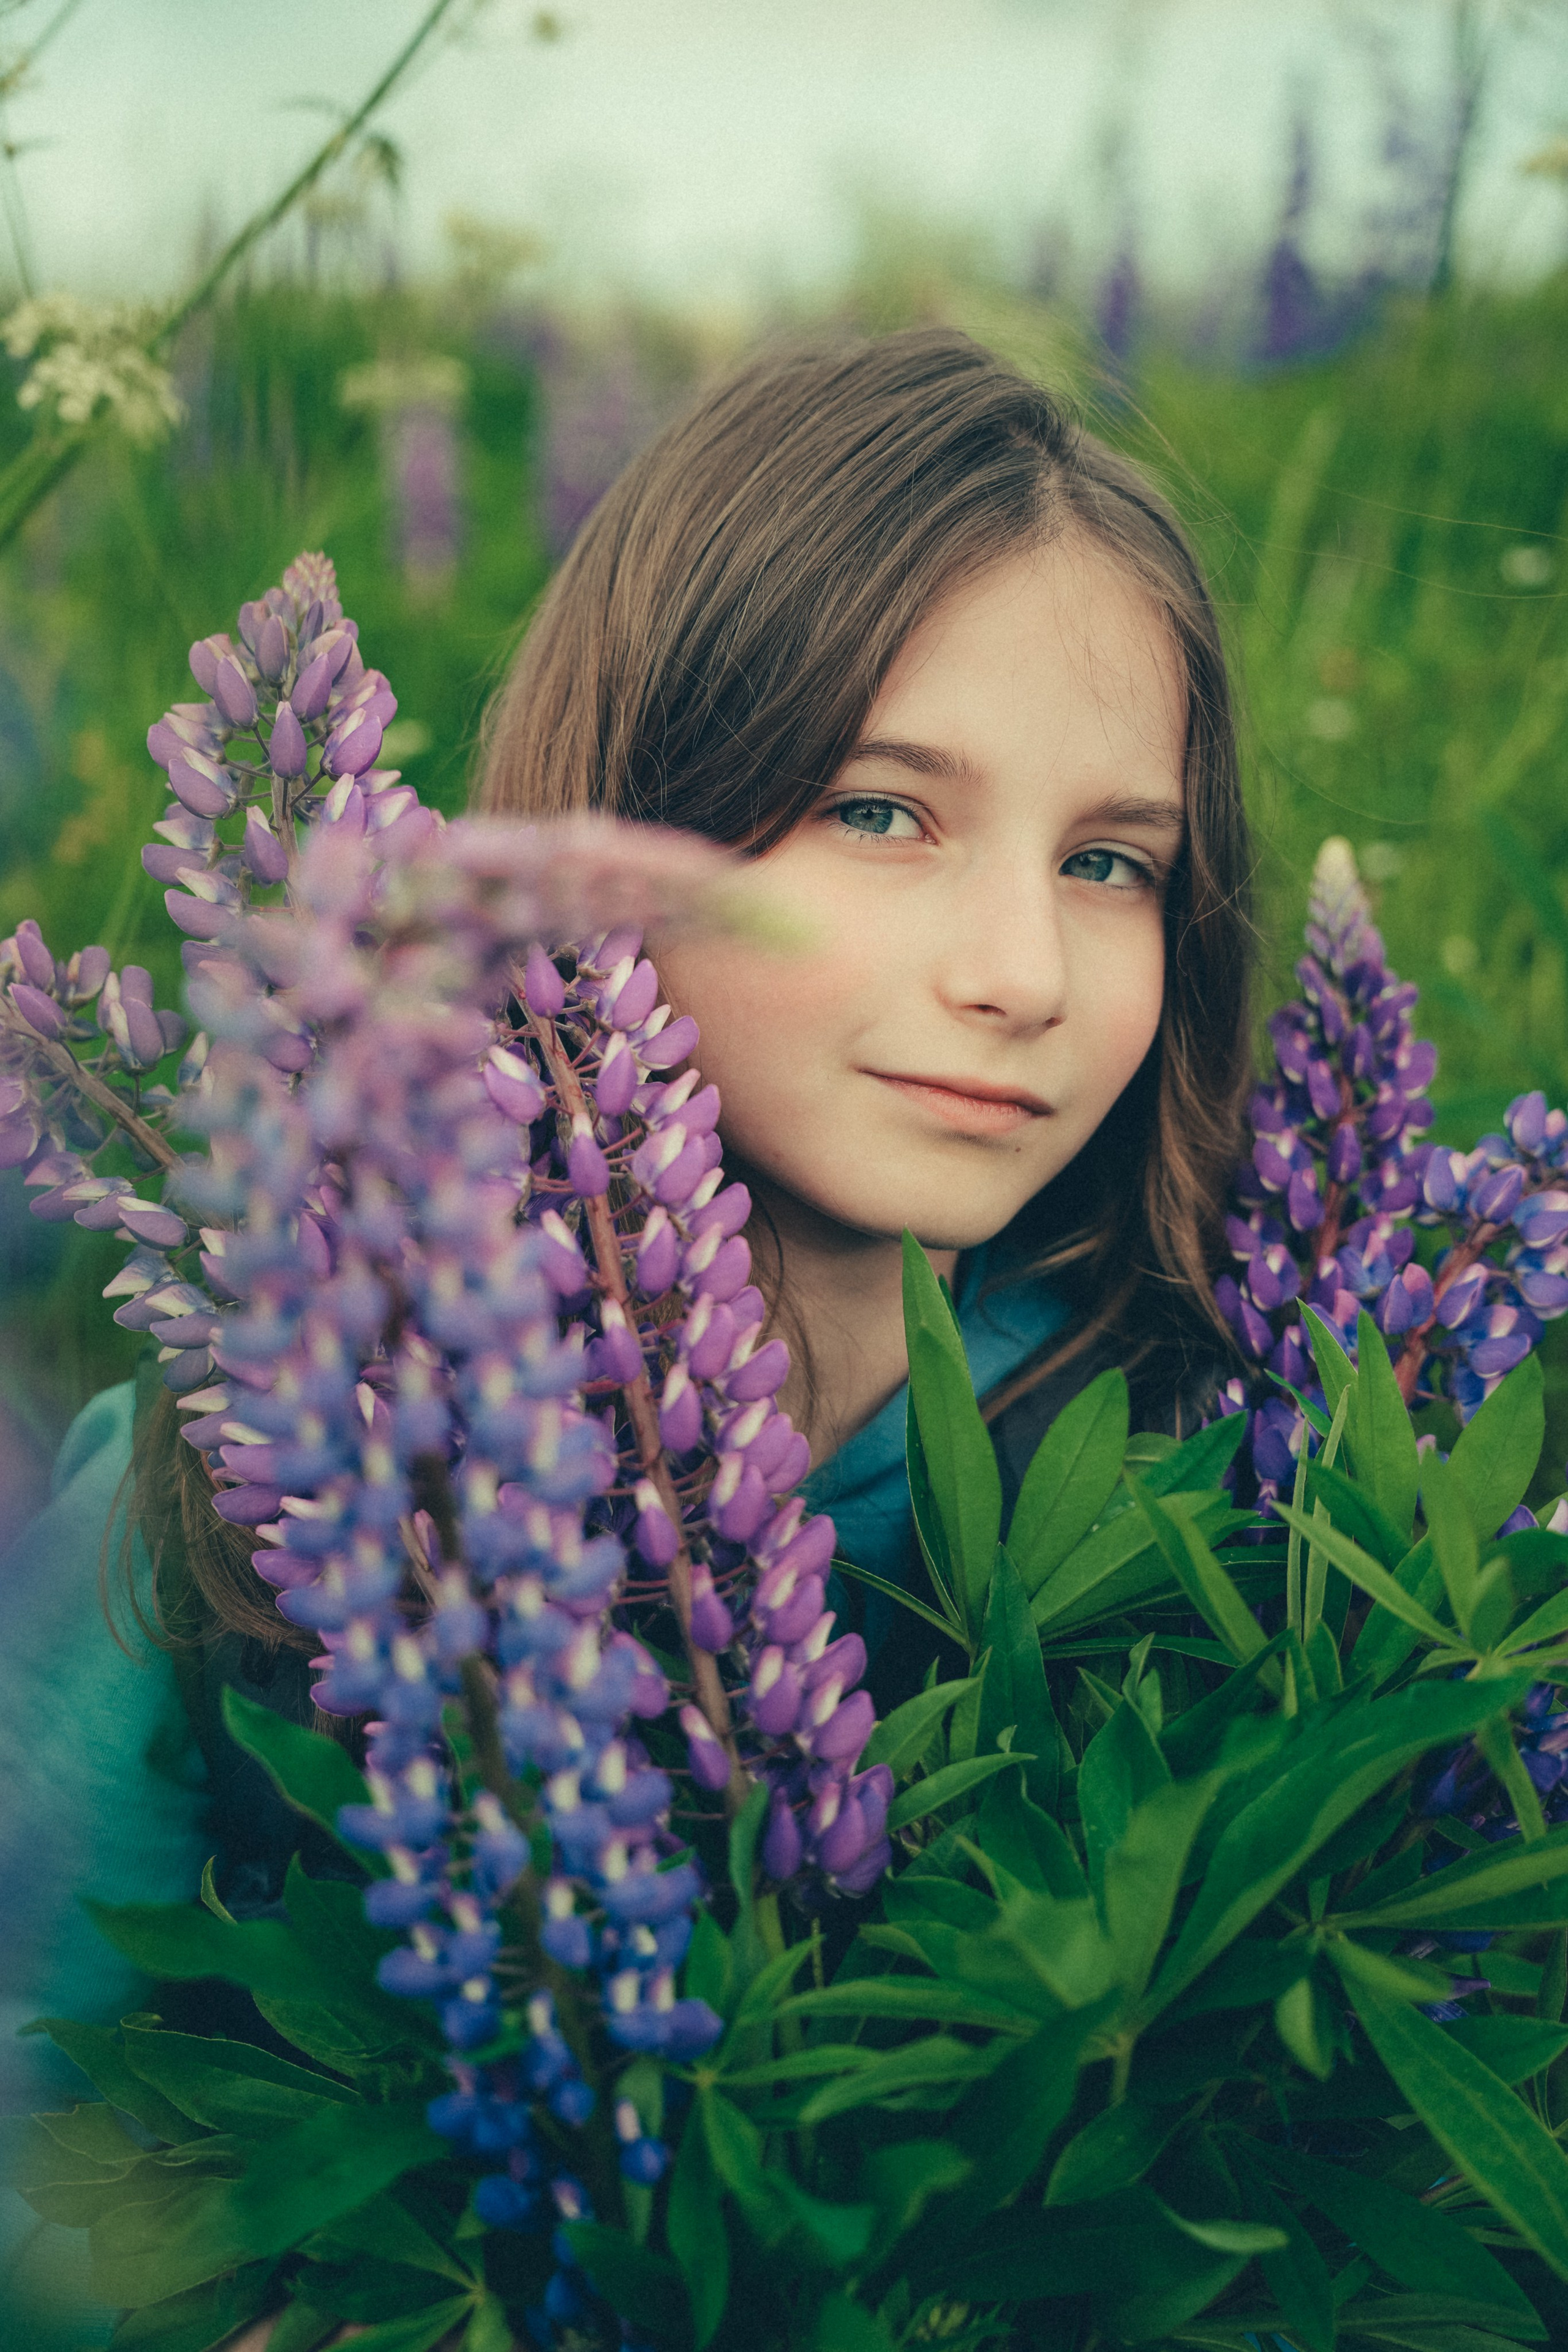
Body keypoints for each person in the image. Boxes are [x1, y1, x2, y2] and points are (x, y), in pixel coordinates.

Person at [0, 326, 1252, 2121]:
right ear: (612, 842)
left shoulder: (1196, 1465)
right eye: (881, 811)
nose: (1018, 974)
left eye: (1111, 860)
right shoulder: (234, 1469)